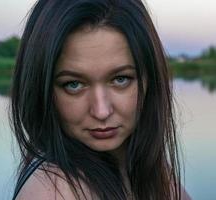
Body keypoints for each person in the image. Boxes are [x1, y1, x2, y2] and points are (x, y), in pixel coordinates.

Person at [11, 0, 190, 199]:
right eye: (73, 84)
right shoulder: (54, 192)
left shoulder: (147, 170)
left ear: (150, 79)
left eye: (121, 79)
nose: (101, 111)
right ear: (41, 89)